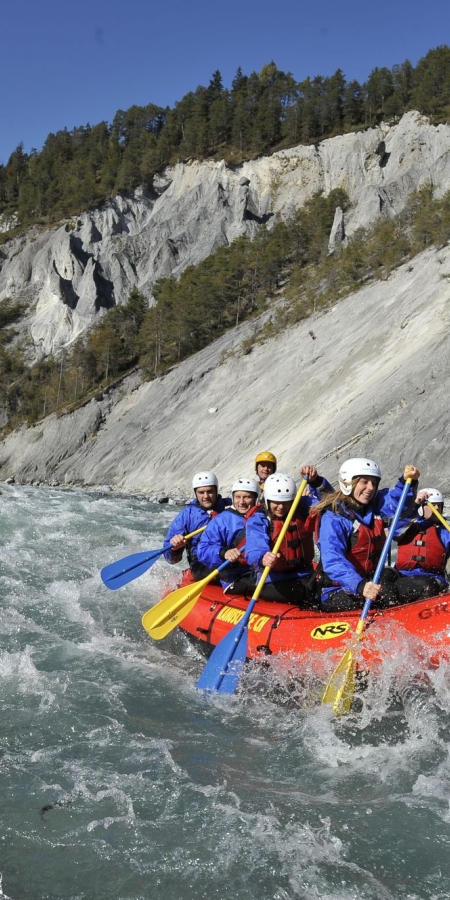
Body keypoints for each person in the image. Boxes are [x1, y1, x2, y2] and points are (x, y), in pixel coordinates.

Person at [313, 458, 421, 611]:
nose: (370, 487)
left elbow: (397, 503)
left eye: (374, 483)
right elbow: (333, 560)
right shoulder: (333, 518)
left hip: (369, 580)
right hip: (337, 590)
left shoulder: (373, 506)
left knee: (423, 586)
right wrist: (359, 585)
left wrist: (406, 482)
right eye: (364, 482)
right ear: (348, 482)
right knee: (388, 594)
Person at [244, 466, 331, 604]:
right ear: (267, 500)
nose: (281, 507)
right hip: (273, 579)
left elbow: (332, 503)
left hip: (305, 573)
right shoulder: (259, 519)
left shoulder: (301, 506)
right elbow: (254, 547)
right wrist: (262, 559)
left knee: (325, 589)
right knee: (304, 594)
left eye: (285, 503)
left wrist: (316, 482)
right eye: (276, 503)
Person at [196, 477, 261, 591]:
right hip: (233, 575)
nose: (241, 502)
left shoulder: (264, 518)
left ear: (256, 498)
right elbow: (203, 549)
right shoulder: (222, 521)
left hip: (258, 571)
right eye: (237, 497)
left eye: (247, 497)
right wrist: (223, 553)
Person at [164, 471, 231, 580]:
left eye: (210, 491)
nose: (206, 496)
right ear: (195, 493)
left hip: (230, 559)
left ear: (216, 491)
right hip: (201, 565)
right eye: (201, 492)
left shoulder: (231, 506)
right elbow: (170, 559)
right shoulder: (187, 515)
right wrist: (174, 549)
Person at [394, 488, 450, 597]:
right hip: (403, 576)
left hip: (432, 579)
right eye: (433, 505)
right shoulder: (407, 526)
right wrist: (413, 506)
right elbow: (394, 532)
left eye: (439, 505)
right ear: (421, 508)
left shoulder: (444, 531)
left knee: (427, 585)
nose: (437, 508)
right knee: (386, 576)